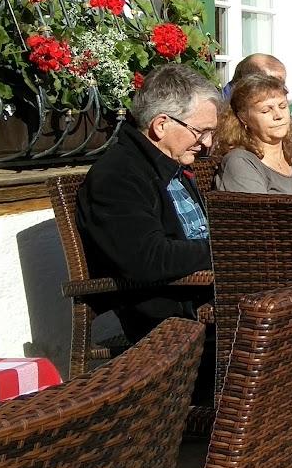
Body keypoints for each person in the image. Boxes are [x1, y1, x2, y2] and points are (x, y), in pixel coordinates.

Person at [76, 64, 221, 342]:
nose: (207, 143)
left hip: (201, 292)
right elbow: (147, 258)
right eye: (201, 131)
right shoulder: (118, 175)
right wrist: (225, 250)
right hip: (168, 311)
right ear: (161, 125)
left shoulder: (169, 163)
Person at [214, 74, 292, 195]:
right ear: (243, 117)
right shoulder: (240, 162)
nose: (279, 115)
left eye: (283, 106)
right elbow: (258, 211)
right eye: (266, 110)